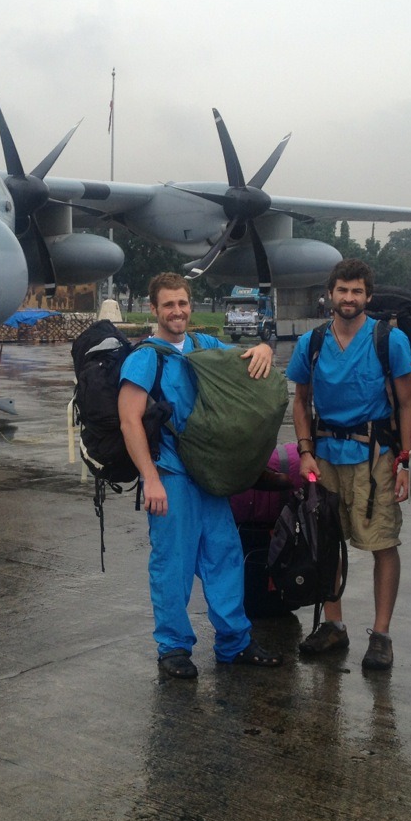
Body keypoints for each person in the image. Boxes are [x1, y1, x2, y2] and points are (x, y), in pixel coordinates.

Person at [118, 272, 284, 679]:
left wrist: (262, 348)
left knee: (225, 555)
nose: (177, 311)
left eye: (183, 303)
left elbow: (244, 363)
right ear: (154, 309)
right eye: (169, 305)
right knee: (173, 563)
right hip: (171, 475)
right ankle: (173, 647)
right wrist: (151, 478)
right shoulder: (145, 358)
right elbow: (129, 422)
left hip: (209, 474)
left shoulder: (204, 345)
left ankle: (234, 643)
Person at [289, 259, 411, 671]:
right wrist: (305, 449)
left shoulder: (388, 340)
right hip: (325, 455)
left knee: (382, 542)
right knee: (327, 543)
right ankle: (334, 625)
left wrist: (405, 460)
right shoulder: (311, 342)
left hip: (374, 455)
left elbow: (408, 401)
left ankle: (381, 635)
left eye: (357, 291)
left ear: (368, 296)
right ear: (330, 294)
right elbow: (300, 399)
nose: (349, 298)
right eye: (342, 290)